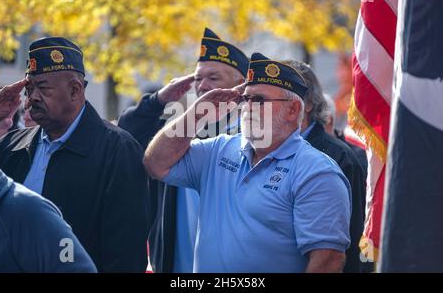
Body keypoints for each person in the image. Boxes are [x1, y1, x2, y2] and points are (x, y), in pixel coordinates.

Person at [143, 52, 351, 272]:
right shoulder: (219, 148)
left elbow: (327, 260)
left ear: (293, 110)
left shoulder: (316, 171)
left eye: (259, 100)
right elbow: (155, 163)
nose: (248, 107)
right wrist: (194, 115)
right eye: (245, 99)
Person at [0, 37, 150, 272]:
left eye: (43, 88)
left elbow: (124, 254)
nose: (32, 97)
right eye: (29, 88)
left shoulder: (118, 151)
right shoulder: (11, 145)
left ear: (75, 90)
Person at [118, 27, 249, 273]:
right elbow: (128, 133)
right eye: (198, 78)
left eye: (214, 78)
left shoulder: (252, 133)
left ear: (240, 85)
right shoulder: (176, 130)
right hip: (176, 264)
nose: (203, 86)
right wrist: (158, 100)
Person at [284, 60, 367, 273]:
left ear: (308, 104)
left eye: (284, 94)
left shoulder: (340, 157)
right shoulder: (262, 151)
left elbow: (351, 239)